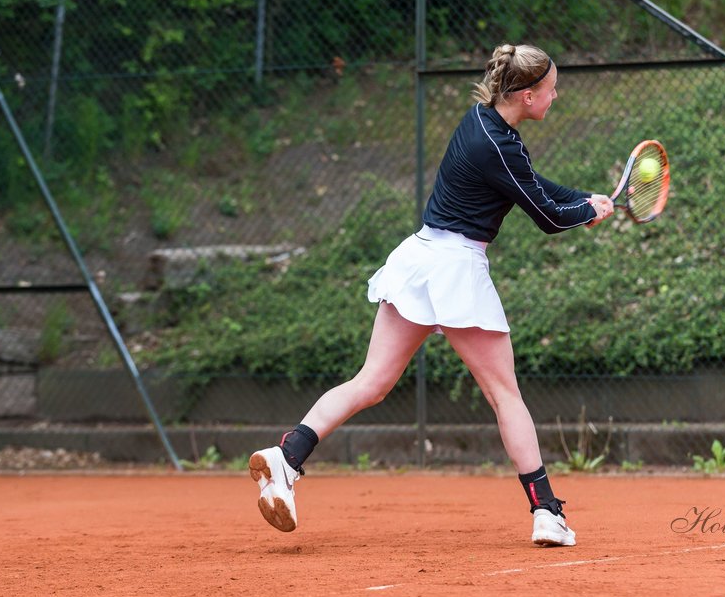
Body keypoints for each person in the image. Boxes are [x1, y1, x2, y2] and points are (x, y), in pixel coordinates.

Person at [248, 43, 614, 546]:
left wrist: (583, 198)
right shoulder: (499, 146)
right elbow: (547, 217)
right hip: (454, 268)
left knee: (371, 382)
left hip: (419, 259)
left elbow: (530, 183)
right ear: (527, 96)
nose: (556, 95)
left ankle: (286, 456)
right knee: (504, 393)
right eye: (551, 89)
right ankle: (547, 513)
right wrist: (586, 214)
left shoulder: (483, 121)